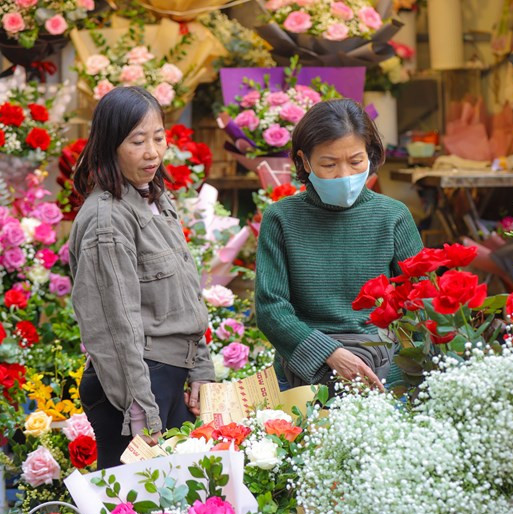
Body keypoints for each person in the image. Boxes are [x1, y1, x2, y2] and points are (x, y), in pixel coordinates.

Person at [68, 87, 215, 469]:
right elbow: (114, 325)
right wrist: (141, 408)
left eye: (158, 136)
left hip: (162, 378)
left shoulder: (153, 198)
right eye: (137, 141)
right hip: (135, 386)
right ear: (111, 145)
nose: (152, 151)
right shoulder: (109, 219)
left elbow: (185, 295)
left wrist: (200, 367)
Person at [256, 99, 423, 392]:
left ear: (370, 156)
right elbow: (271, 308)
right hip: (302, 375)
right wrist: (328, 353)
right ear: (305, 161)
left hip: (382, 371)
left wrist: (402, 369)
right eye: (329, 164)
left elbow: (421, 301)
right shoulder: (281, 218)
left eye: (356, 162)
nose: (344, 175)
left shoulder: (393, 216)